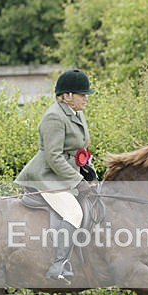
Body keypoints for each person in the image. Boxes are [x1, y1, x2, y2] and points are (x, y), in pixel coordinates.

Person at [15, 69, 96, 282]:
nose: (85, 98)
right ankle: (58, 265)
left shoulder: (77, 114)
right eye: (82, 94)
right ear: (67, 95)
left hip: (63, 174)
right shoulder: (54, 116)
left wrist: (87, 168)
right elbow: (54, 157)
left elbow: (75, 151)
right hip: (46, 176)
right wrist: (77, 181)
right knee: (73, 212)